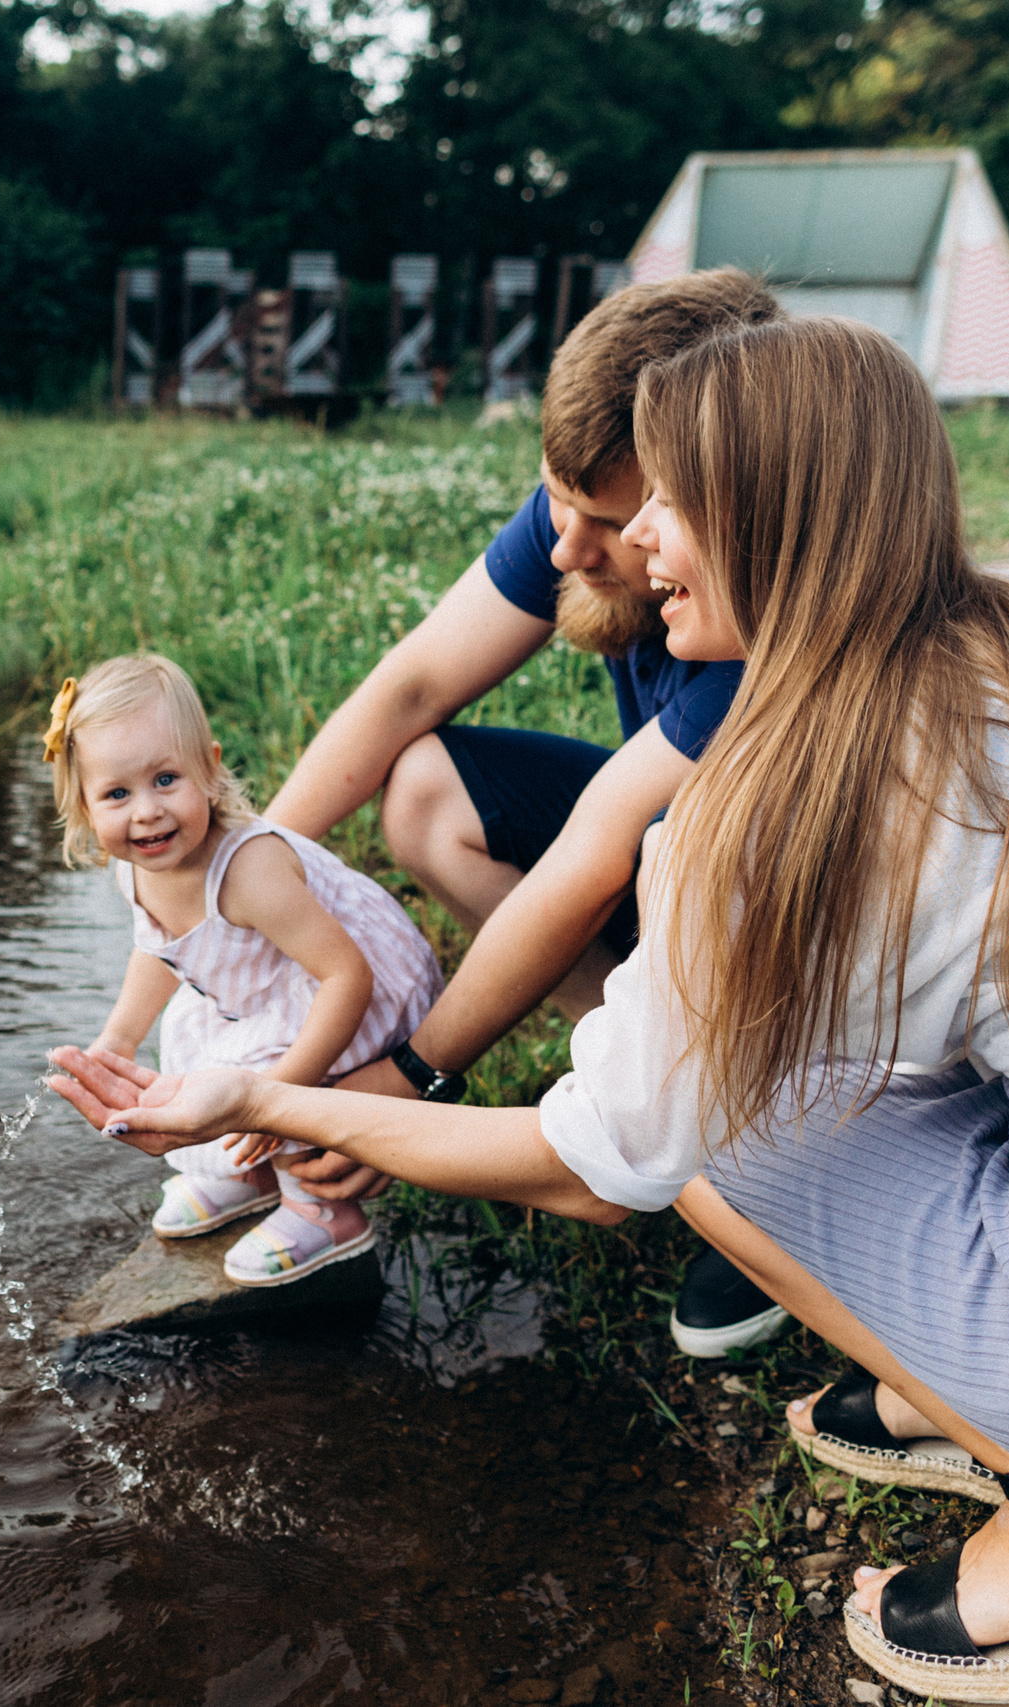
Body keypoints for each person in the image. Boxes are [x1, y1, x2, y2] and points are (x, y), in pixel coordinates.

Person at [50, 316, 1009, 1703]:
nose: (634, 540)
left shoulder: (778, 800)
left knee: (722, 1126)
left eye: (667, 502)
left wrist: (262, 1095)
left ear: (769, 519)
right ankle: (961, 1374)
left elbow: (595, 1164)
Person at [263, 266, 786, 1356]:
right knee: (423, 787)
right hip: (652, 846)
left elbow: (589, 860)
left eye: (602, 522)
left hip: (778, 930)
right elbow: (410, 686)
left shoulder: (768, 634)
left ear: (706, 504)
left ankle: (752, 1161)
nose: (561, 551)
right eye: (555, 499)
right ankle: (634, 1065)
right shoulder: (591, 512)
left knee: (671, 865)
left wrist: (413, 1078)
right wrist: (247, 871)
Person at [48, 653, 441, 1286]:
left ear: (209, 768)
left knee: (261, 1063)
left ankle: (326, 1209)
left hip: (354, 985)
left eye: (166, 779)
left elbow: (347, 978)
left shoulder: (248, 869)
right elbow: (160, 947)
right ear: (86, 807)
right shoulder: (137, 867)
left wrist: (280, 1097)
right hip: (268, 981)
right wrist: (117, 1039)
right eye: (117, 794)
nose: (146, 811)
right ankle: (250, 1171)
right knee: (189, 1037)